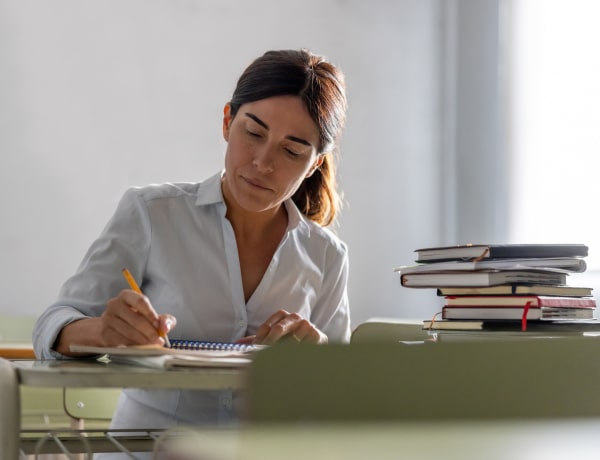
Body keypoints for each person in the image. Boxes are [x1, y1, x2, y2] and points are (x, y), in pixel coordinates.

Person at [32, 48, 350, 437]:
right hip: (145, 449)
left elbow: (338, 401)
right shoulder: (152, 213)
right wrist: (102, 332)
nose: (263, 162)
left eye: (291, 151)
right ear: (227, 122)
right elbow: (52, 324)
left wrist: (318, 361)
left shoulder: (327, 256)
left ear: (314, 164)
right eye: (253, 133)